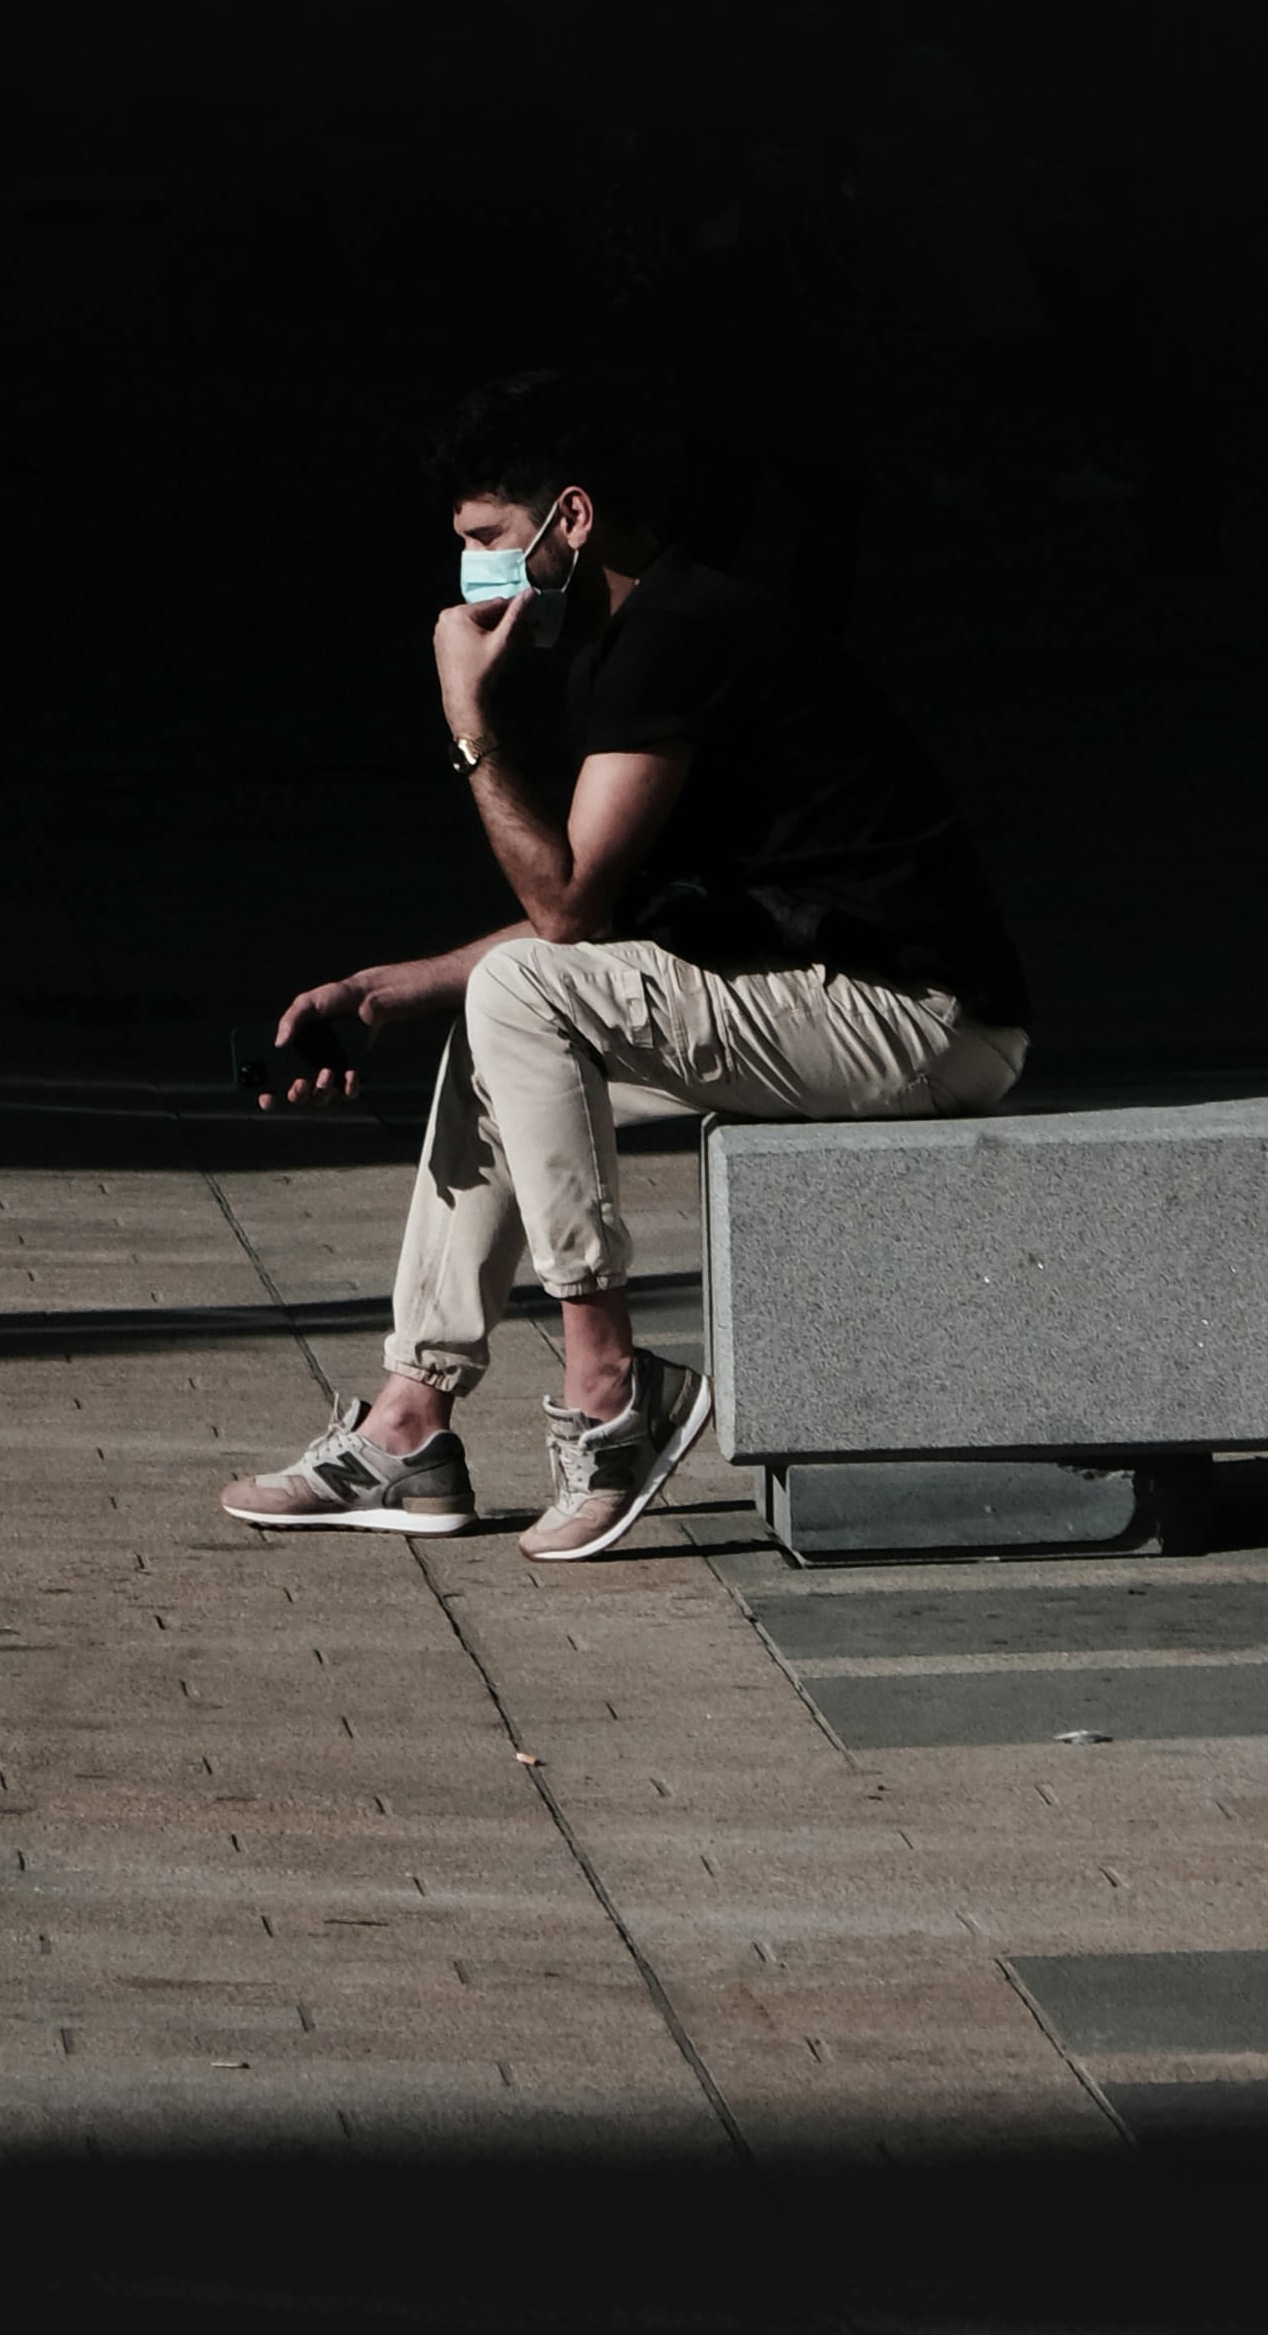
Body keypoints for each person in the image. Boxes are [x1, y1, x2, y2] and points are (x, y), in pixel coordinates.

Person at [223, 367, 1029, 1562]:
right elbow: (596, 921)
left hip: (915, 1015)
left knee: (521, 993)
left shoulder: (671, 640)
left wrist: (464, 718)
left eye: (491, 539)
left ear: (572, 518)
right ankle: (409, 1423)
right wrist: (384, 990)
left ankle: (609, 1391)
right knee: (504, 1019)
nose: (475, 574)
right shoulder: (651, 637)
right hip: (818, 996)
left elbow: (559, 909)